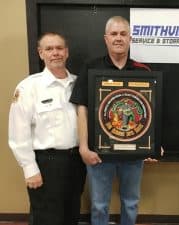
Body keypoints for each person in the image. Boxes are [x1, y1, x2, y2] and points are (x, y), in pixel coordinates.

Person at [70, 16, 162, 225]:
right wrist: (84, 147)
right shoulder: (91, 69)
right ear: (106, 38)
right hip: (99, 153)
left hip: (134, 154)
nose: (118, 38)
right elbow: (81, 109)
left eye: (123, 34)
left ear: (130, 38)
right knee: (99, 205)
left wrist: (152, 145)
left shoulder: (143, 71)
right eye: (114, 34)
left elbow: (152, 112)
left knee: (131, 203)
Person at [8, 32, 86, 225]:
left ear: (66, 52)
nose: (55, 53)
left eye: (59, 48)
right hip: (46, 163)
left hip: (76, 162)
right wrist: (29, 169)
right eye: (49, 49)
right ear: (40, 53)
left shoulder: (79, 84)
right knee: (46, 218)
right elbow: (18, 133)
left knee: (71, 214)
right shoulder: (29, 87)